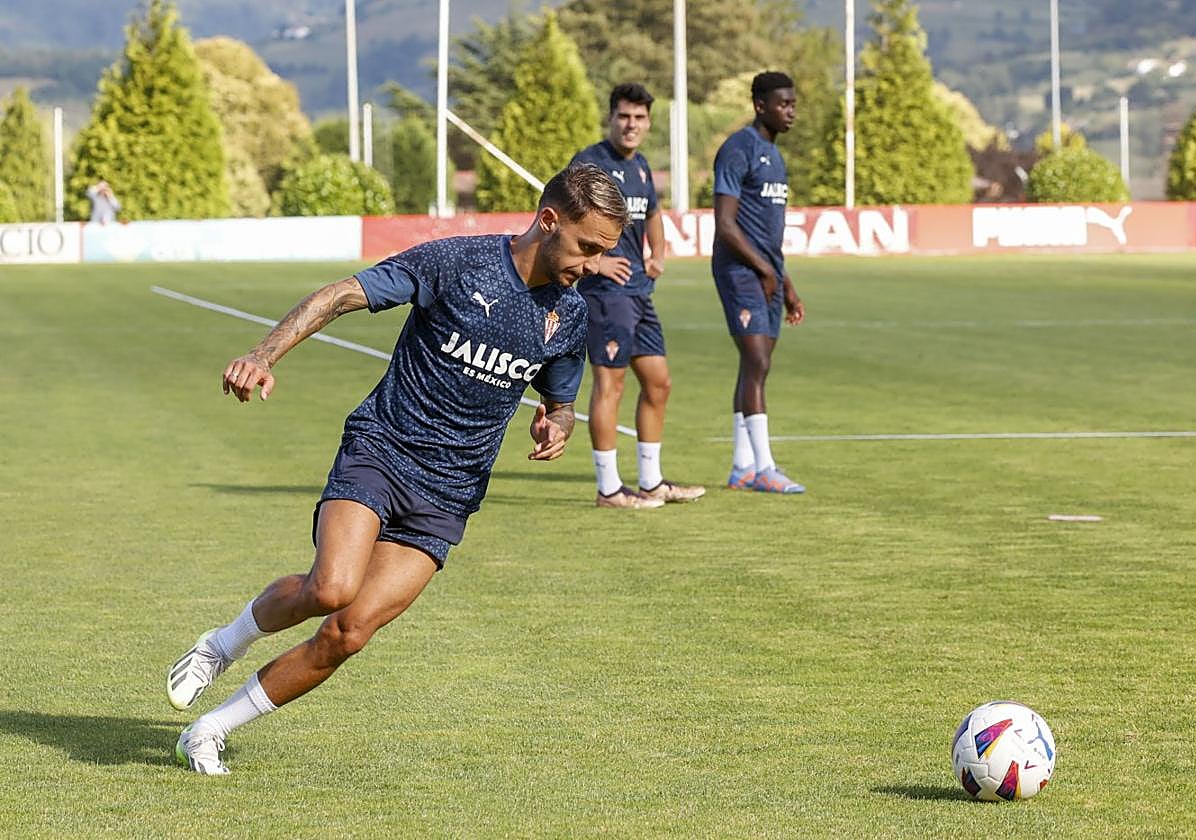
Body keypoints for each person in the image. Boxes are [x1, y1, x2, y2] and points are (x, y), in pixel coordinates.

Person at [166, 164, 628, 775]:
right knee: (330, 588)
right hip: (383, 451)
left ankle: (209, 729)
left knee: (348, 632)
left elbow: (561, 401)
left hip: (451, 491)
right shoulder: (457, 265)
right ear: (548, 221)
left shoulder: (569, 317)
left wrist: (557, 426)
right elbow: (339, 296)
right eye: (587, 247)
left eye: (604, 252)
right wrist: (262, 353)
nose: (594, 264)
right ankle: (220, 645)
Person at [569, 83, 705, 509]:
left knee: (659, 383)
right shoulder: (589, 164)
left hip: (640, 293)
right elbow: (559, 224)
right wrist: (595, 263)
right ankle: (609, 489)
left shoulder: (642, 166)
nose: (632, 125)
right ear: (611, 118)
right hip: (606, 295)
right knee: (611, 385)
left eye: (640, 118)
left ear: (648, 122)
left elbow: (654, 214)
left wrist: (658, 254)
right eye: (624, 116)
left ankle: (651, 482)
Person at [711, 72, 806, 495]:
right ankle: (765, 467)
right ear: (759, 105)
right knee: (757, 362)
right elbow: (726, 225)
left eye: (793, 104)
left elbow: (769, 234)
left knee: (755, 366)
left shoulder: (776, 156)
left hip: (767, 273)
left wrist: (784, 282)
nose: (791, 111)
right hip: (738, 270)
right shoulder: (738, 149)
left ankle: (742, 467)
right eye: (783, 104)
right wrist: (765, 272)